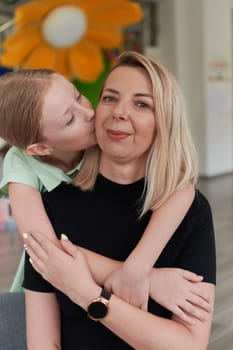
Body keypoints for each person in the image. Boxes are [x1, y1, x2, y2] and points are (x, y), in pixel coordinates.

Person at [23, 51, 216, 350]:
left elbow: (189, 345)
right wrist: (149, 279)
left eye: (141, 104)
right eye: (110, 98)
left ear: (163, 122)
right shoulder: (51, 205)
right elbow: (43, 342)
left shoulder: (191, 211)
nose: (118, 112)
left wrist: (88, 294)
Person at [0, 68, 200, 310]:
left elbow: (183, 188)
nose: (88, 113)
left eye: (78, 96)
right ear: (41, 149)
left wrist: (138, 266)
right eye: (70, 119)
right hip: (48, 291)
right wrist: (149, 278)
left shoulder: (103, 137)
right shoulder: (20, 162)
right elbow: (45, 248)